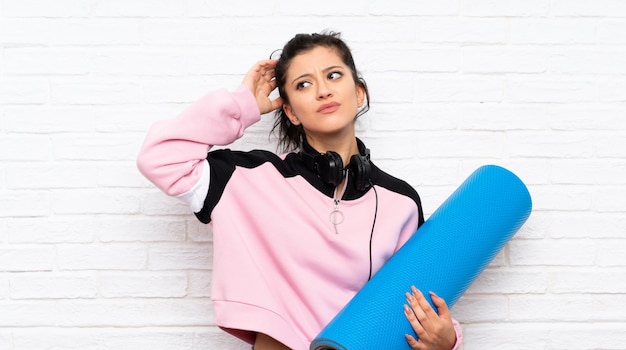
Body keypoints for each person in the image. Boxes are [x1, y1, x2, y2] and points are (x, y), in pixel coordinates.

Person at [137, 31, 463, 350]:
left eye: (333, 75)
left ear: (359, 93)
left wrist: (448, 340)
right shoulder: (246, 177)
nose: (322, 91)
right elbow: (160, 157)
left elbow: (419, 296)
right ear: (290, 111)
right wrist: (243, 104)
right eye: (303, 84)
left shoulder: (400, 202)